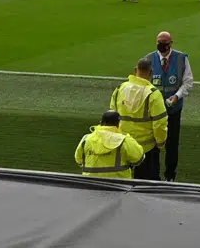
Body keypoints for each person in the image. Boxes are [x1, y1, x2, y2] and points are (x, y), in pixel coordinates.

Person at [145, 32, 193, 182]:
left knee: (172, 144)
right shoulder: (149, 58)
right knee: (153, 144)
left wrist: (177, 96)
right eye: (159, 42)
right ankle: (154, 175)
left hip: (173, 110)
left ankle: (170, 176)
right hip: (154, 111)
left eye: (164, 43)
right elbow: (144, 82)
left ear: (171, 43)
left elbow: (188, 82)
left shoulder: (181, 59)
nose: (162, 45)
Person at [109, 59, 168, 180]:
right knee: (148, 185)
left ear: (135, 70)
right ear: (151, 73)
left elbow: (112, 118)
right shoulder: (153, 94)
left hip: (123, 146)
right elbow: (160, 124)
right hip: (146, 149)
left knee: (124, 183)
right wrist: (161, 143)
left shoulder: (120, 89)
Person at [74, 111, 144, 179]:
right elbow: (138, 159)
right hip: (119, 184)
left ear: (101, 122)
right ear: (118, 124)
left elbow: (79, 160)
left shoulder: (86, 139)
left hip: (90, 182)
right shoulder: (124, 140)